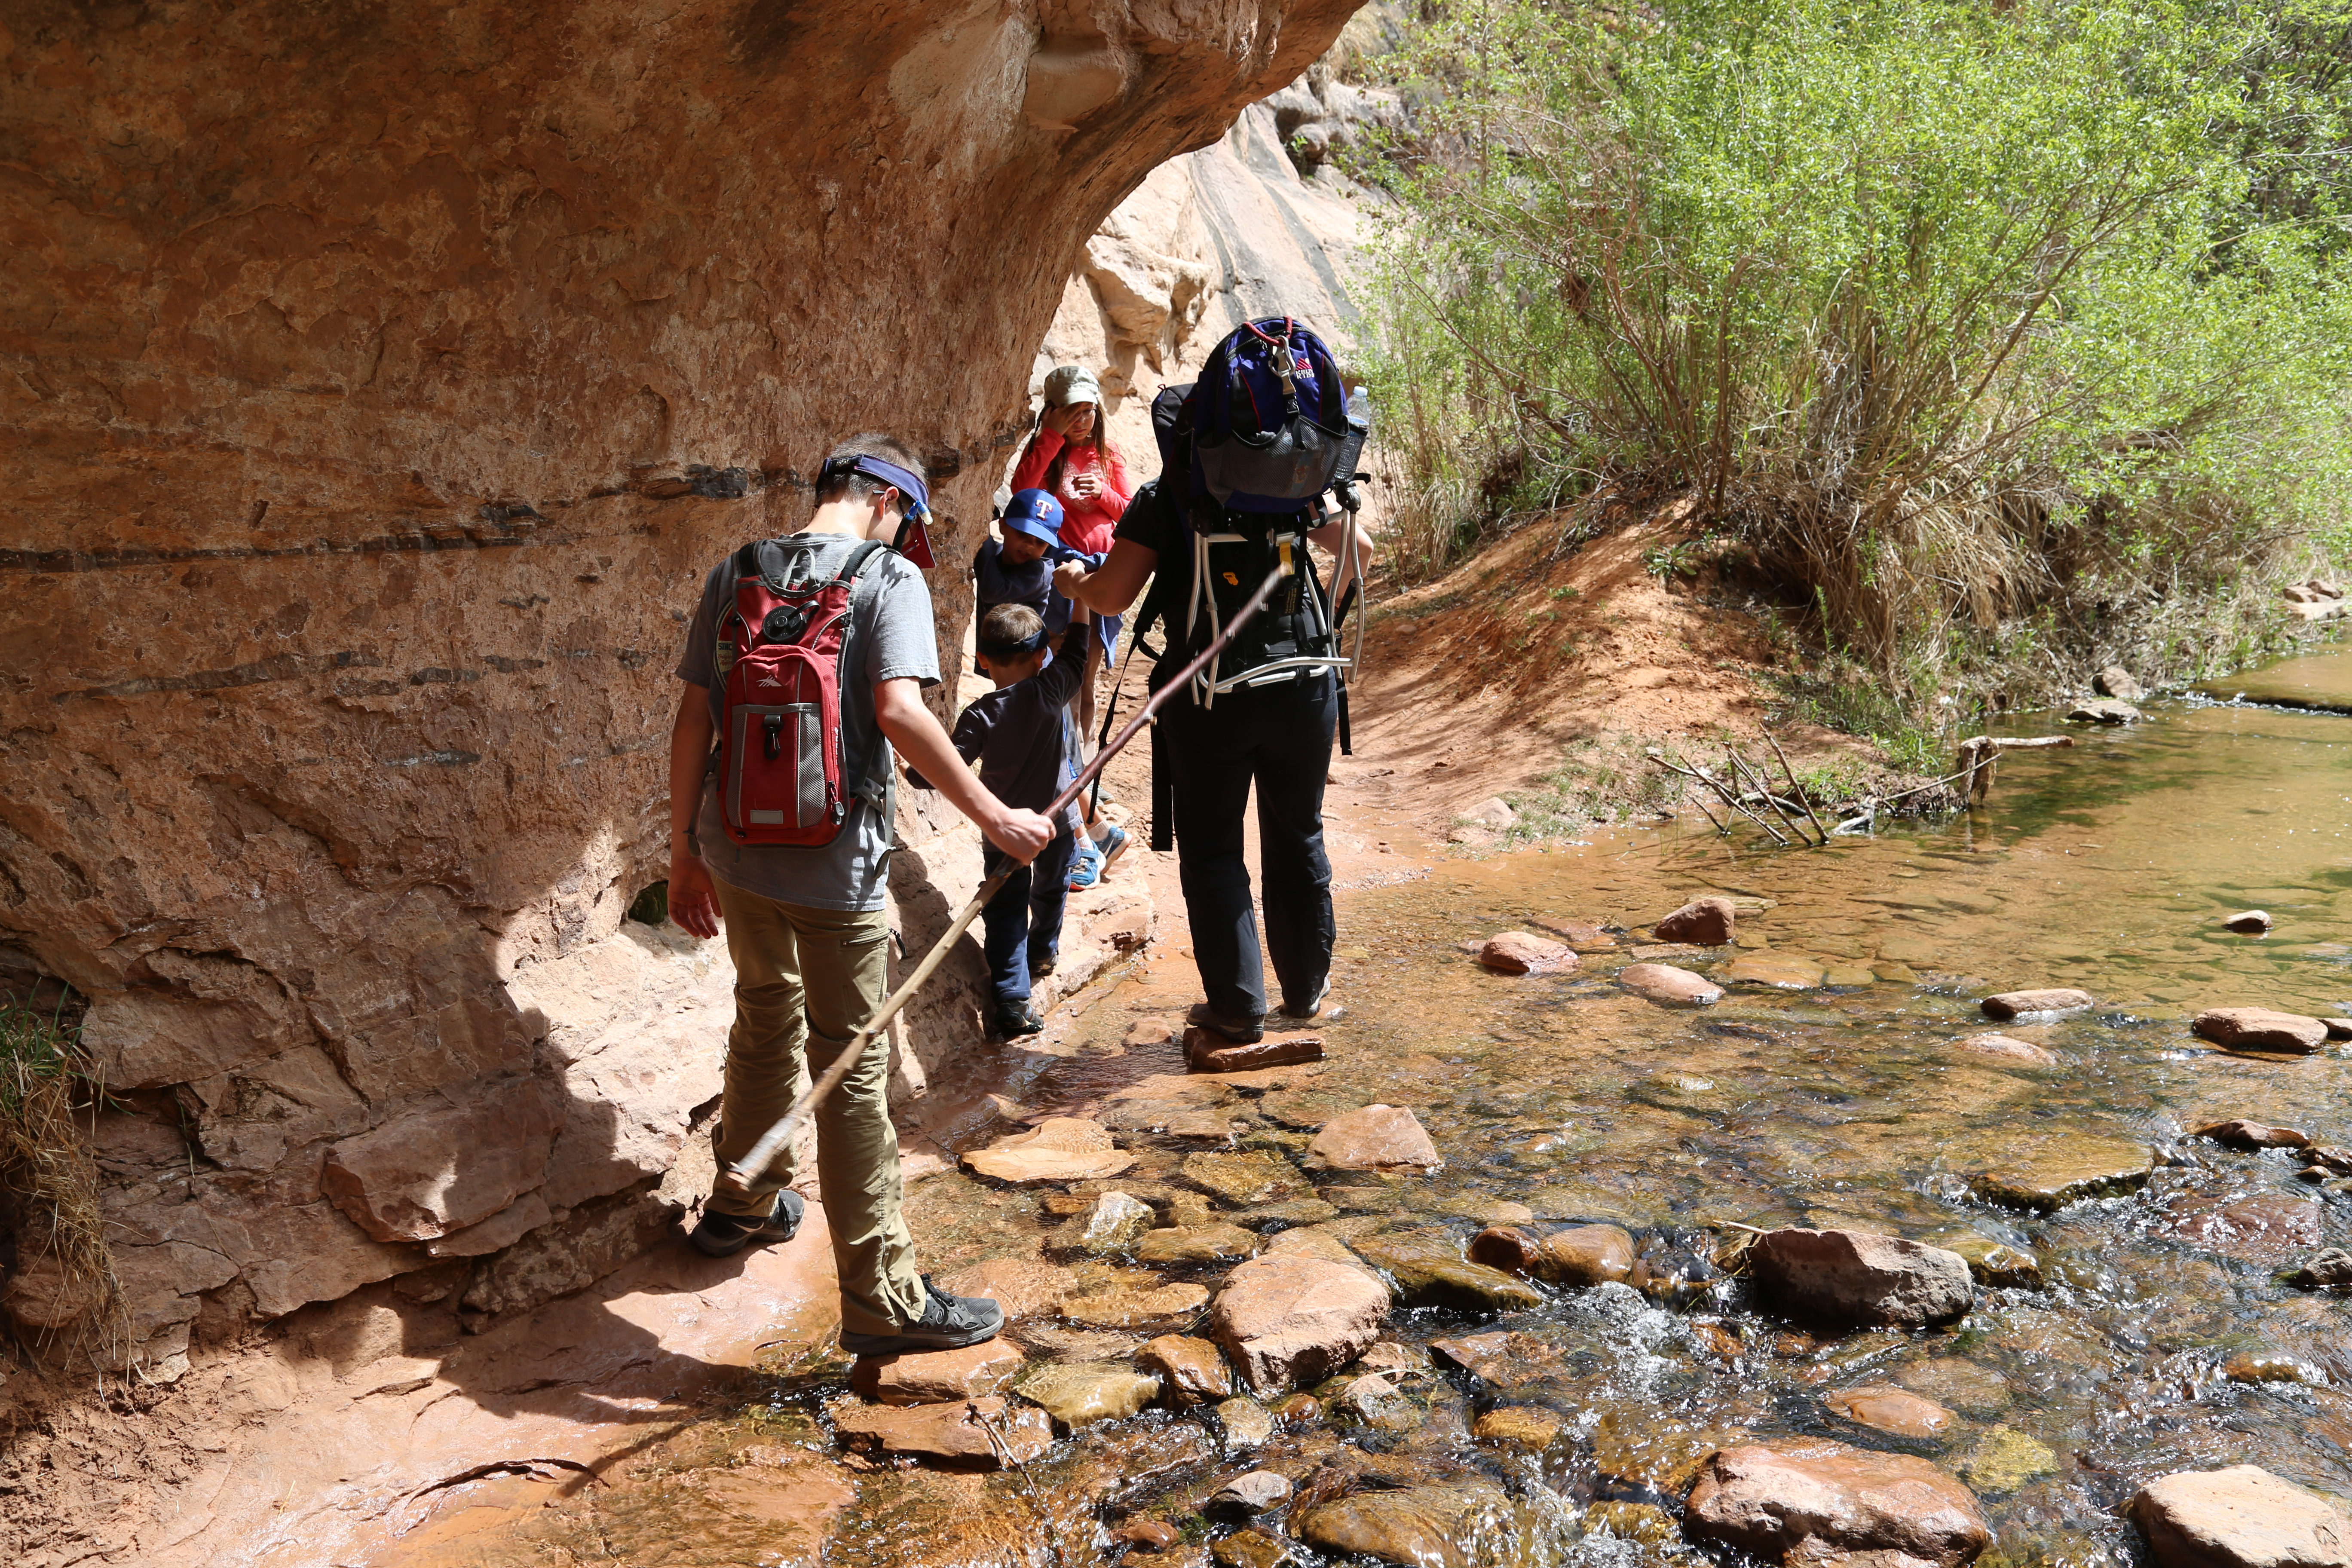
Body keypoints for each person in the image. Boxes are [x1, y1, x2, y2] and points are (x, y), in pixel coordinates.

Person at [665, 432, 1052, 1357]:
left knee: (764, 1014)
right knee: (850, 1068)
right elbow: (899, 712)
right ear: (889, 501)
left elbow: (694, 717)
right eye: (909, 520)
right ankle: (883, 1294)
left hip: (736, 849)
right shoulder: (889, 579)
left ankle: (740, 1205)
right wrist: (996, 816)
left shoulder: (736, 573)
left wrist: (682, 852)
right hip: (836, 869)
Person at [1054, 478, 1366, 1044]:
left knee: (1214, 850)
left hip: (1208, 697)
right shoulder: (1293, 481)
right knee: (1299, 834)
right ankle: (1306, 994)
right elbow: (1360, 551)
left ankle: (1239, 1011)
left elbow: (1112, 597)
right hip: (1305, 685)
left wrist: (1076, 581)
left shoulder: (1167, 493)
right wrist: (1324, 626)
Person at [905, 603, 1089, 1039]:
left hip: (1002, 831)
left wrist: (907, 764)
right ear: (1042, 655)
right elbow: (1079, 652)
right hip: (1057, 825)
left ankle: (1010, 1001)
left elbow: (932, 770)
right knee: (1052, 887)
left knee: (1005, 911)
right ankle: (1043, 952)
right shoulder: (1052, 690)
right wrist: (1080, 598)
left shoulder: (980, 714)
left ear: (982, 660)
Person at [1011, 366, 1133, 880]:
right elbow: (1022, 493)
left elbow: (1130, 515)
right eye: (1073, 410)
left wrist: (1103, 494)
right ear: (1055, 411)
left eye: (1089, 410)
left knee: (1086, 679)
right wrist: (1050, 438)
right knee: (1058, 678)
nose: (1084, 419)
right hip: (1058, 574)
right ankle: (1084, 802)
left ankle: (1080, 773)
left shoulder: (1108, 456)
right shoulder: (1048, 450)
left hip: (1103, 578)